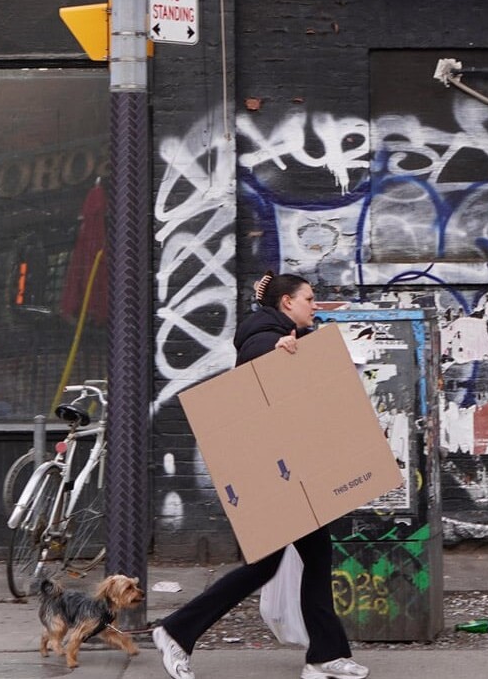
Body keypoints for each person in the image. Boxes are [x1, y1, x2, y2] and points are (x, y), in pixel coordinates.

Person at [153, 272, 369, 679]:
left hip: (289, 469)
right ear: (287, 302)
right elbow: (257, 354)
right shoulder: (264, 335)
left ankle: (325, 656)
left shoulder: (285, 334)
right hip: (271, 475)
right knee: (262, 565)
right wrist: (280, 348)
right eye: (308, 298)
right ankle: (176, 632)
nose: (314, 304)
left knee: (318, 557)